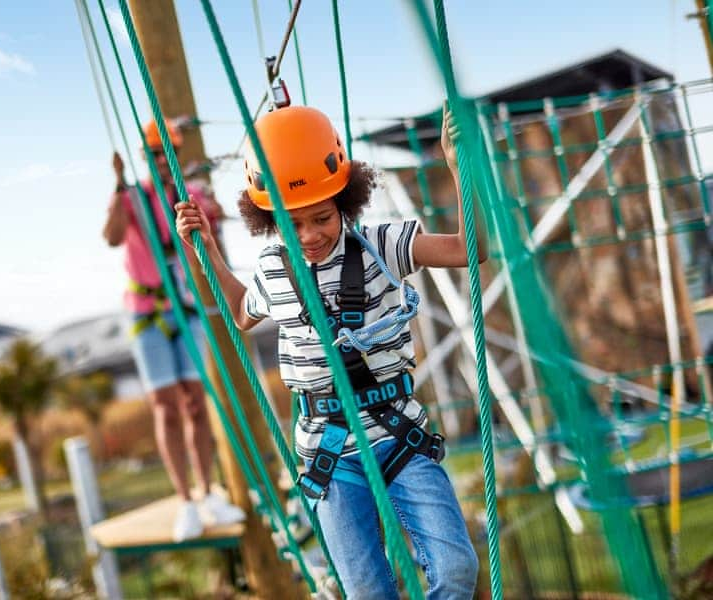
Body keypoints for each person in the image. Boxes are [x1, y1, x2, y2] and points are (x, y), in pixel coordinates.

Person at [176, 104, 481, 598]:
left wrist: (456, 165)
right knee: (366, 591)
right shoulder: (274, 270)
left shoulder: (384, 245)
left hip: (396, 428)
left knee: (455, 568)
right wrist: (206, 249)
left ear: (344, 200)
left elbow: (470, 249)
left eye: (321, 217)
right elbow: (239, 312)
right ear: (270, 220)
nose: (310, 235)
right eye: (292, 224)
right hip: (328, 449)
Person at [103, 117, 244, 542]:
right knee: (165, 404)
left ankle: (206, 492)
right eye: (155, 154)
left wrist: (212, 208)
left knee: (196, 404)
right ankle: (185, 501)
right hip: (147, 310)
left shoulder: (188, 195)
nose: (163, 161)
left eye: (169, 154)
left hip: (184, 306)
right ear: (146, 158)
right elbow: (111, 237)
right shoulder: (131, 199)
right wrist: (117, 185)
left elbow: (212, 222)